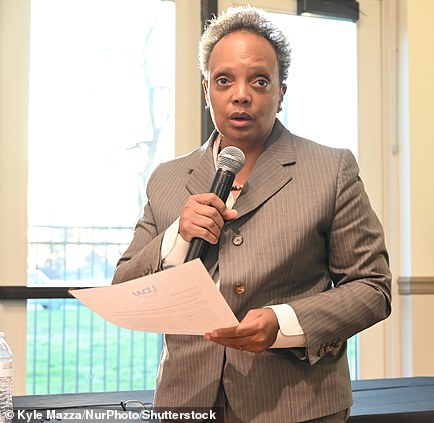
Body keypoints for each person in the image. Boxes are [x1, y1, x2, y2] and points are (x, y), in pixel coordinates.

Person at [112, 6, 391, 423]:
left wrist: (285, 322)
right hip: (186, 404)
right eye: (224, 80)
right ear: (206, 91)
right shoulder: (168, 179)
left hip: (297, 405)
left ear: (281, 93)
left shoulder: (331, 169)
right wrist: (177, 237)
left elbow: (373, 288)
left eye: (259, 81)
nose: (241, 94)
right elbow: (123, 289)